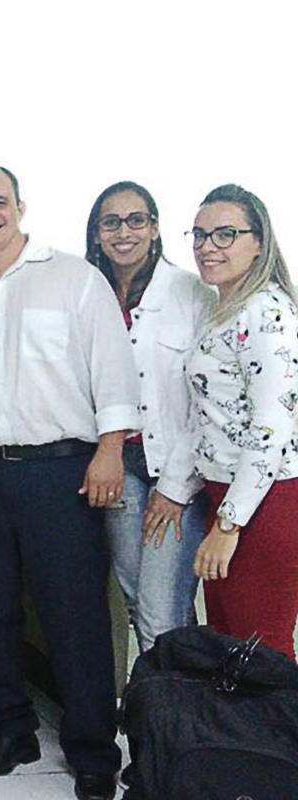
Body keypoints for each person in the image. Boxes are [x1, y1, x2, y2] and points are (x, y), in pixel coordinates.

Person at [0, 165, 134, 800]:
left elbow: (112, 372)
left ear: (20, 206)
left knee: (75, 614)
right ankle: (8, 733)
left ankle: (94, 750)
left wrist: (110, 451)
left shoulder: (72, 278)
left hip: (62, 470)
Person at [84, 181, 214, 653]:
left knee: (162, 609)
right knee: (137, 598)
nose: (125, 232)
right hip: (118, 463)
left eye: (136, 220)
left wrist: (175, 490)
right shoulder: (88, 291)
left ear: (155, 228)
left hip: (175, 470)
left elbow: (206, 403)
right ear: (96, 234)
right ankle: (162, 708)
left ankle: (175, 719)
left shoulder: (191, 293)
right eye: (111, 222)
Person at [185, 184, 298, 659]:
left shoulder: (267, 311)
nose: (208, 247)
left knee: (261, 651)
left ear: (259, 242)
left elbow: (271, 429)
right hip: (225, 495)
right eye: (200, 235)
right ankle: (240, 736)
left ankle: (271, 737)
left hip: (263, 504)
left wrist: (227, 527)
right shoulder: (223, 309)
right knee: (231, 645)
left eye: (226, 234)